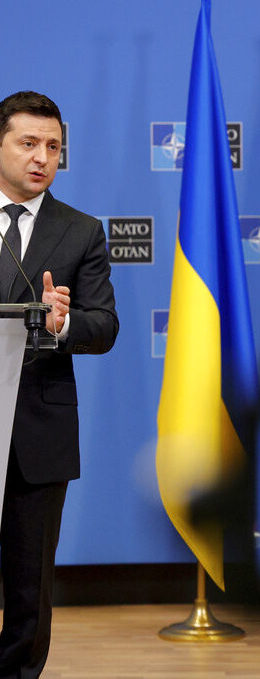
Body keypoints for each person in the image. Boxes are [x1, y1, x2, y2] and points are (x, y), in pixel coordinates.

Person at [0, 91, 118, 677]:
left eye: (53, 147)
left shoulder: (81, 231)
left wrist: (61, 323)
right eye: (28, 143)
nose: (42, 157)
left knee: (29, 587)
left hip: (36, 432)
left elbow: (104, 326)